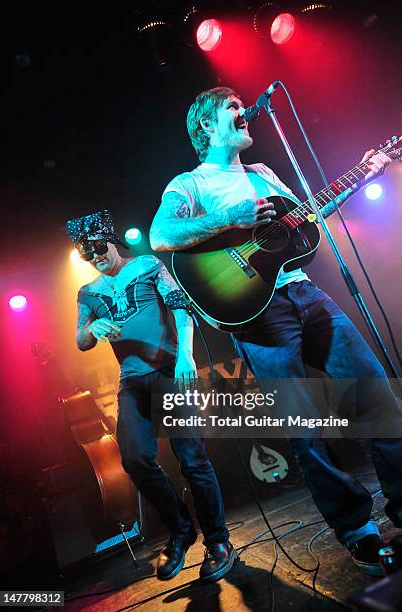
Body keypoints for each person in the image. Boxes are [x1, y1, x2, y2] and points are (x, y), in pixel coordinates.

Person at [149, 87, 402, 576]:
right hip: (258, 315)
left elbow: (298, 224)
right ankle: (357, 531)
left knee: (376, 398)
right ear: (206, 126)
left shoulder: (263, 173)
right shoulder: (190, 183)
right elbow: (161, 235)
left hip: (304, 292)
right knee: (305, 429)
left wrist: (356, 180)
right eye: (232, 108)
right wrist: (229, 217)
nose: (244, 113)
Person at [66, 209, 236, 582]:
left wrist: (187, 356)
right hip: (133, 382)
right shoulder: (89, 292)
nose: (95, 257)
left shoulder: (146, 264)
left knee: (192, 459)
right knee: (135, 459)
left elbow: (180, 306)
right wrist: (93, 326)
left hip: (169, 372)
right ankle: (180, 528)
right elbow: (79, 341)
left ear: (111, 240)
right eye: (86, 253)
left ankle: (219, 542)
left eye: (98, 247)